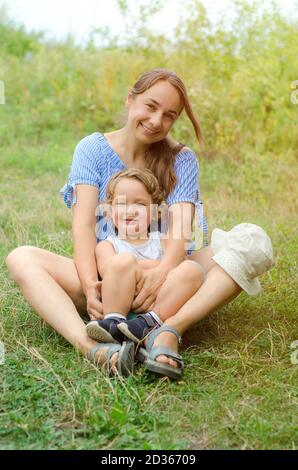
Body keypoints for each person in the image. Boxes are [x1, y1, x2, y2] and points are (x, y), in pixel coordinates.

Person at [6, 68, 273, 379]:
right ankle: (96, 348)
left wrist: (161, 273)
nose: (157, 120)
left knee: (250, 240)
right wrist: (91, 286)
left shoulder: (181, 159)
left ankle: (168, 330)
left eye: (169, 115)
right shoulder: (92, 149)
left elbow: (179, 230)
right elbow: (83, 228)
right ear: (130, 99)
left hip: (169, 281)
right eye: (150, 106)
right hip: (110, 279)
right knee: (21, 257)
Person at [86, 168, 204, 372]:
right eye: (121, 204)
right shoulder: (107, 245)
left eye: (139, 204)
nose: (130, 211)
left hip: (159, 307)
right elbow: (110, 271)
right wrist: (155, 268)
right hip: (124, 307)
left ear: (156, 212)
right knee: (122, 261)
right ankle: (114, 324)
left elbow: (176, 267)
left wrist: (140, 269)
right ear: (108, 211)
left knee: (192, 269)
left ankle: (147, 325)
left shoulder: (163, 242)